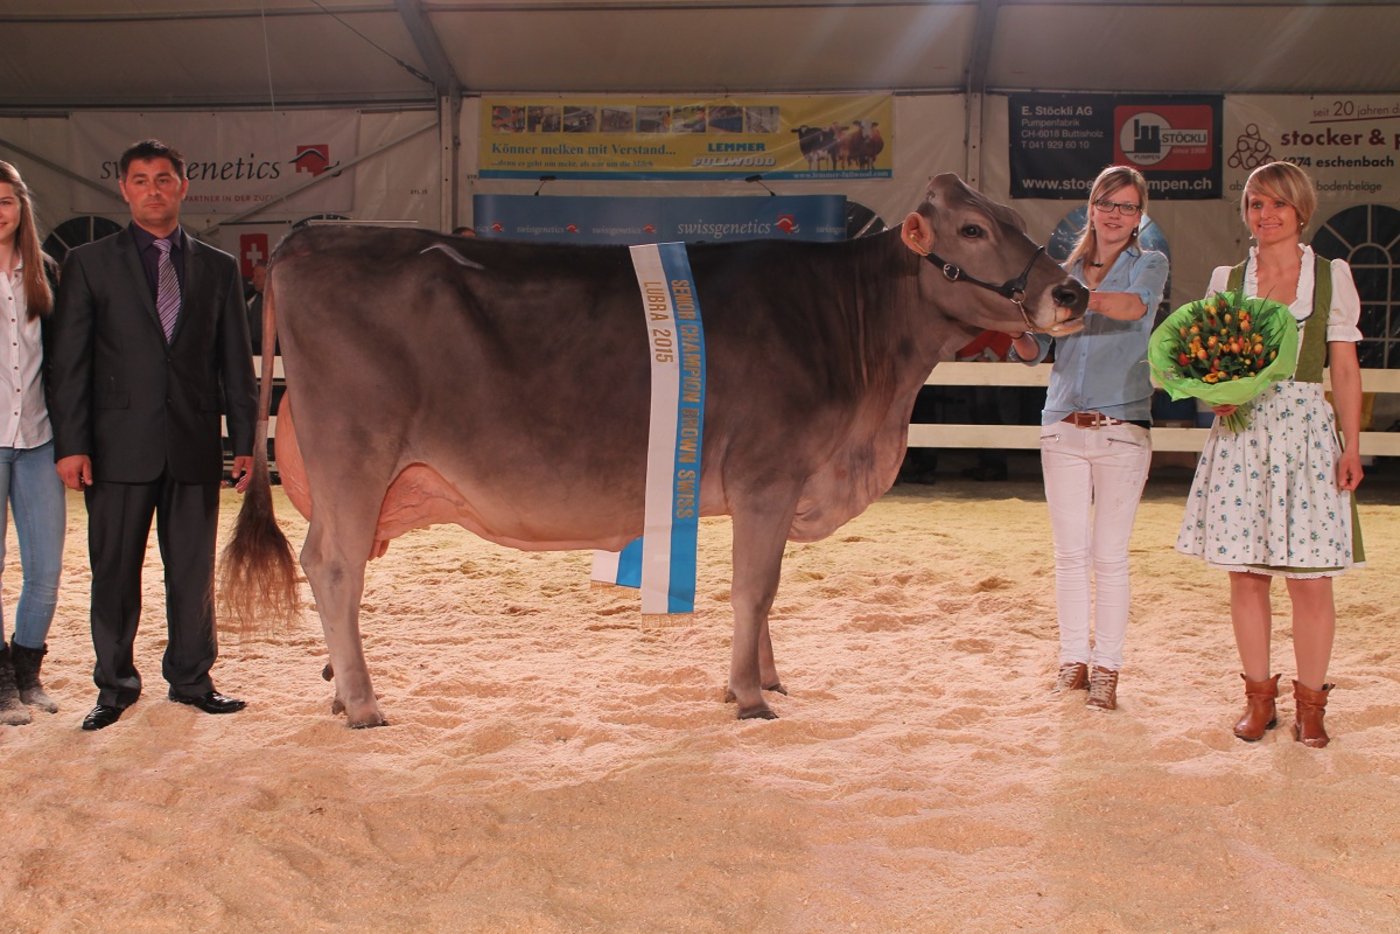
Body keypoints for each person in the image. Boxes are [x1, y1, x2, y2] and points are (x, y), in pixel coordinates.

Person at [47, 139, 258, 731]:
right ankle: (115, 686)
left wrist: (244, 441)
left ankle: (192, 680)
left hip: (193, 444)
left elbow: (234, 363)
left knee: (191, 572)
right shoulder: (89, 263)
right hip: (115, 447)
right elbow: (69, 364)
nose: (153, 190)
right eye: (140, 180)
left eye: (163, 179)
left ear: (183, 186)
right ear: (124, 189)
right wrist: (71, 444)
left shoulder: (218, 267)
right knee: (114, 572)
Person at [1176, 160, 1364, 748]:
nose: (1266, 214)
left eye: (1278, 203)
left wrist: (1352, 445)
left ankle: (1312, 705)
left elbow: (1344, 368)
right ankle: (1259, 699)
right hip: (1244, 434)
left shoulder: (1331, 276)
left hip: (1307, 432)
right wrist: (1214, 394)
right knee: (1247, 574)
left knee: (1311, 581)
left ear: (1300, 210)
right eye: (1256, 204)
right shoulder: (1227, 279)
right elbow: (1205, 359)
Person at [1009, 165, 1168, 712]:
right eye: (1107, 203)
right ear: (1092, 206)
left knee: (1110, 556)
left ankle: (1108, 667)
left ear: (1139, 215)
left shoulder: (1149, 263)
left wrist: (1074, 296)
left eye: (1127, 206)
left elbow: (1134, 307)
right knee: (1069, 555)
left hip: (1122, 427)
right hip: (1062, 425)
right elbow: (1037, 351)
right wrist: (1017, 324)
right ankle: (1073, 659)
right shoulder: (1064, 270)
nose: (1116, 214)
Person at [0, 161, 66, 726]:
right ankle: (1, 685)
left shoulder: (44, 271)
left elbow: (62, 358)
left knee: (45, 568)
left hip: (40, 439)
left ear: (21, 207)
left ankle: (28, 673)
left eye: (5, 201)